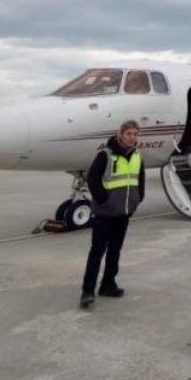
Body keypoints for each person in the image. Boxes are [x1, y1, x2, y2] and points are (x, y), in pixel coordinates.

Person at [79, 120, 145, 308]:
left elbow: (140, 179)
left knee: (115, 251)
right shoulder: (105, 155)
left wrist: (137, 199)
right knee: (97, 252)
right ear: (120, 135)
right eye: (129, 134)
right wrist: (103, 200)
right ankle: (87, 291)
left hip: (123, 213)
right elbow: (93, 178)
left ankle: (108, 284)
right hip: (105, 214)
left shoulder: (137, 156)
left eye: (135, 134)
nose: (132, 137)